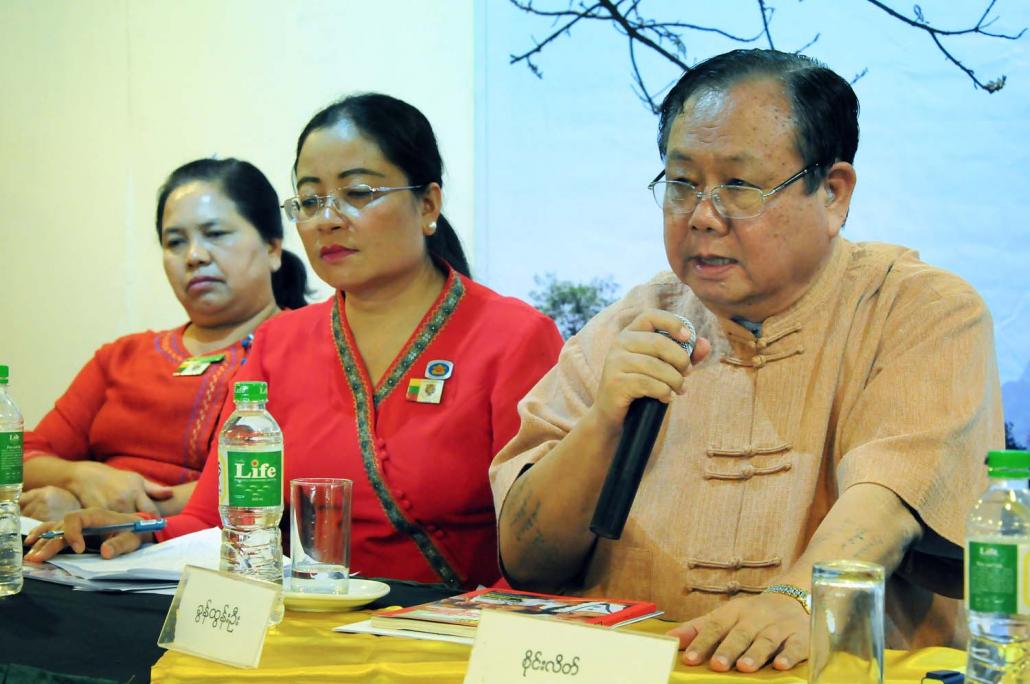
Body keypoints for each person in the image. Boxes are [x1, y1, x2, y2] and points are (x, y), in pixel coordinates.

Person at [489, 49, 1002, 672]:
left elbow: (889, 499)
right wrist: (602, 424)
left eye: (740, 185)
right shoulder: (631, 323)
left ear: (834, 193)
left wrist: (797, 598)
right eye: (682, 183)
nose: (703, 216)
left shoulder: (920, 308)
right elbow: (526, 559)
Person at [27, 94, 564, 589]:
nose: (328, 219)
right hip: (303, 621)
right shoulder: (279, 342)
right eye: (309, 201)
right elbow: (214, 517)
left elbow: (544, 550)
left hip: (450, 631)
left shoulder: (513, 337)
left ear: (427, 204)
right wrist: (136, 530)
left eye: (358, 193)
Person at [21, 158, 308, 521]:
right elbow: (20, 456)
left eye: (216, 234)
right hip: (94, 566)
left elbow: (287, 477)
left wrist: (97, 510)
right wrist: (80, 476)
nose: (194, 256)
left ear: (272, 248)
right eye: (175, 242)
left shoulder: (309, 346)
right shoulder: (122, 356)